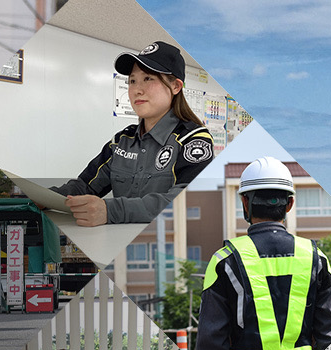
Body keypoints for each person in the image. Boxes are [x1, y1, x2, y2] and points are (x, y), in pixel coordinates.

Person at [194, 156, 331, 350]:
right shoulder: (316, 258)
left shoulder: (224, 261)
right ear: (291, 204)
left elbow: (210, 348)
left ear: (245, 203)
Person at [51, 41, 214, 226]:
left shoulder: (194, 140)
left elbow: (186, 204)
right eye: (132, 81)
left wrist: (111, 211)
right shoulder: (121, 141)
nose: (137, 90)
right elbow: (84, 186)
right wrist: (47, 197)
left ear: (176, 86)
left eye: (148, 79)